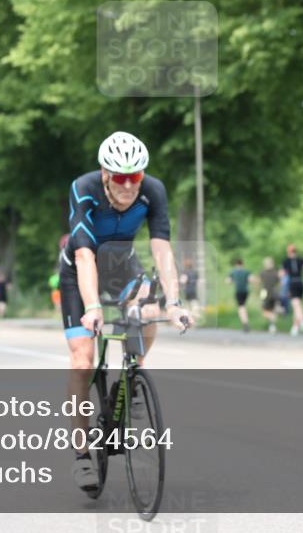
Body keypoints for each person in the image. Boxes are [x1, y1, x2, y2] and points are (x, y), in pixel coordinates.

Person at [58, 131, 191, 492]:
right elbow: (85, 256)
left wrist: (175, 302)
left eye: (136, 177)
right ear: (105, 173)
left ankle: (131, 379)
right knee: (83, 360)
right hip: (78, 271)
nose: (130, 185)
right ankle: (82, 454)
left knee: (148, 311)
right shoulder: (83, 187)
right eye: (121, 177)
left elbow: (162, 249)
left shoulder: (154, 191)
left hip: (121, 266)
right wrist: (93, 308)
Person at [282, 243, 303, 336]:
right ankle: (295, 327)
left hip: (293, 283)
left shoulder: (286, 261)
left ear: (288, 252)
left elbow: (282, 274)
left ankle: (302, 320)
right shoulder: (301, 260)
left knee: (295, 304)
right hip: (300, 282)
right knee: (297, 305)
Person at [227, 258, 252, 332]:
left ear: (236, 265)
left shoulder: (234, 272)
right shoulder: (246, 272)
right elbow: (251, 279)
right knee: (243, 306)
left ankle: (245, 323)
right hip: (246, 292)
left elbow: (228, 281)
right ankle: (245, 321)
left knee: (241, 307)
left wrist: (232, 281)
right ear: (242, 264)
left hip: (238, 292)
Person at [259, 257, 281, 334]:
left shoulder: (262, 273)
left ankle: (272, 322)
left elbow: (259, 283)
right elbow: (279, 283)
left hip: (266, 294)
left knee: (264, 311)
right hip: (275, 293)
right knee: (273, 310)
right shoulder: (276, 273)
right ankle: (272, 326)